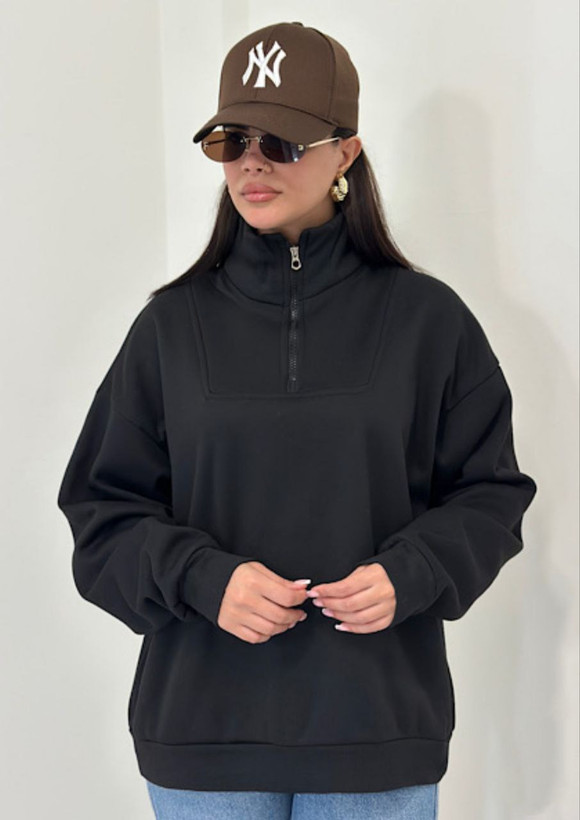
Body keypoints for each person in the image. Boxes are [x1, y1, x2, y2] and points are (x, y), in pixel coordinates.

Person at [56, 21, 537, 820]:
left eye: (280, 141)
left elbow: (492, 496)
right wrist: (203, 578)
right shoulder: (170, 328)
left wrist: (413, 571)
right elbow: (100, 513)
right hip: (204, 738)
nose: (252, 162)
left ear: (346, 152)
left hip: (375, 731)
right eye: (231, 141)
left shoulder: (428, 321)